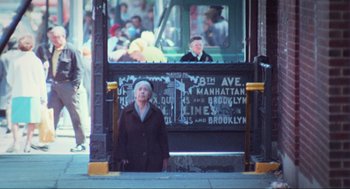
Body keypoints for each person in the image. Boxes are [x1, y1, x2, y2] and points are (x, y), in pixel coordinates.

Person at [116, 79, 170, 172]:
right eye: (139, 89)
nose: (142, 92)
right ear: (135, 94)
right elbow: (121, 136)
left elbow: (163, 137)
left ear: (149, 94)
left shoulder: (157, 113)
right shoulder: (126, 112)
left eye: (145, 90)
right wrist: (122, 156)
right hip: (132, 160)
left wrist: (165, 157)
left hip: (153, 160)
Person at [47, 26, 86, 152]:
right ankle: (47, 141)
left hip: (68, 86)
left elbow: (80, 69)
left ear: (64, 37)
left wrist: (74, 86)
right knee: (51, 115)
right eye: (52, 37)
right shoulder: (51, 48)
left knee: (75, 116)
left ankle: (81, 142)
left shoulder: (71, 50)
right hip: (55, 86)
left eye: (57, 37)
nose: (54, 40)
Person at [6, 34, 47, 153]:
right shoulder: (36, 61)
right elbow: (41, 80)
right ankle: (28, 144)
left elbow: (10, 79)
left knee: (15, 120)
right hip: (33, 94)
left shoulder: (15, 61)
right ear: (32, 46)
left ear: (19, 47)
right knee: (31, 120)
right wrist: (43, 97)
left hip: (18, 93)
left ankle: (16, 143)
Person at [0, 38, 19, 134]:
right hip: (20, 82)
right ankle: (18, 123)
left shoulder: (4, 57)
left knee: (9, 105)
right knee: (19, 103)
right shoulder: (21, 56)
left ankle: (9, 125)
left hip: (6, 83)